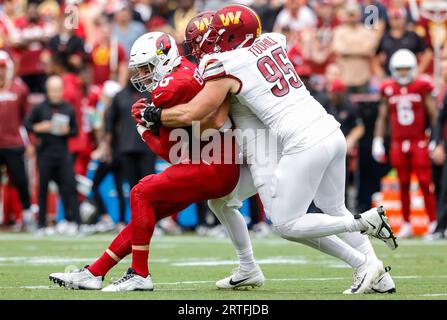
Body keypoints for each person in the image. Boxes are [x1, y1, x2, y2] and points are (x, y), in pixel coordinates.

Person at [144, 4, 397, 294]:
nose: (208, 43)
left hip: (297, 142)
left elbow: (202, 115)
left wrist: (157, 116)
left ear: (227, 37)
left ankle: (364, 223)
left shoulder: (224, 64)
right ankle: (378, 275)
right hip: (328, 129)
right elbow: (271, 44)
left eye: (214, 35)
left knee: (286, 223)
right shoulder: (272, 40)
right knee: (328, 209)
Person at [48, 32, 244, 292]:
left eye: (146, 67)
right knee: (145, 215)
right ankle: (95, 272)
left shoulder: (170, 89)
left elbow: (169, 153)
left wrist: (144, 129)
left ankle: (139, 273)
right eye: (139, 68)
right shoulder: (184, 68)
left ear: (163, 60)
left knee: (142, 191)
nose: (141, 75)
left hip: (212, 164)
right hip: (215, 158)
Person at [373, 49, 438, 238]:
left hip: (418, 142)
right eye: (399, 69)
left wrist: (434, 139)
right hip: (397, 142)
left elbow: (434, 116)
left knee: (425, 181)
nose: (402, 73)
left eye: (406, 69)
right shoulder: (388, 88)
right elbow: (382, 117)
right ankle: (407, 223)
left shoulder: (421, 86)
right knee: (402, 182)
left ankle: (434, 222)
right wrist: (378, 140)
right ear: (393, 69)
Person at [24, 75, 81, 235]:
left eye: (58, 90)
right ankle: (41, 224)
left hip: (63, 154)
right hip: (45, 154)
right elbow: (27, 125)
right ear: (47, 91)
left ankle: (76, 222)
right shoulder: (39, 108)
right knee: (43, 189)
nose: (55, 93)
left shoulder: (68, 108)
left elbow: (75, 130)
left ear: (62, 90)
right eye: (52, 90)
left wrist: (67, 130)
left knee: (69, 187)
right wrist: (39, 127)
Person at [0, 50, 34, 230]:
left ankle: (27, 215)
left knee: (21, 180)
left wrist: (29, 143)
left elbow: (26, 119)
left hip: (13, 143)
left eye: (2, 68)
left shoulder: (19, 89)